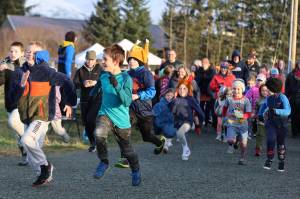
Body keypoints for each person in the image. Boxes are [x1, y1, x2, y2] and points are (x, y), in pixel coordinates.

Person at [10, 41, 77, 186]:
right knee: (30, 147)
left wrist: (69, 102)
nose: (29, 54)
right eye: (28, 51)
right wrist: (21, 86)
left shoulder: (47, 72)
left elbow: (67, 81)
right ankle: (43, 175)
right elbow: (12, 97)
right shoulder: (19, 72)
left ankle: (46, 167)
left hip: (43, 116)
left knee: (26, 140)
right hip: (27, 117)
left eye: (34, 52)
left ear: (40, 55)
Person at [93, 44, 141, 186]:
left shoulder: (126, 78)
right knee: (98, 133)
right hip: (105, 114)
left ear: (115, 61)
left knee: (127, 151)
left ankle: (136, 169)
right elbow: (98, 87)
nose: (102, 61)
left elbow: (126, 101)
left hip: (122, 121)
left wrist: (116, 85)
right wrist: (91, 92)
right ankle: (104, 161)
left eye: (105, 59)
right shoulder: (103, 75)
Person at [114, 40, 166, 169]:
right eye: (130, 59)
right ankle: (124, 159)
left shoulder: (146, 73)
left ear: (140, 61)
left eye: (134, 59)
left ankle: (159, 142)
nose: (131, 61)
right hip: (130, 108)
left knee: (146, 136)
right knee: (123, 129)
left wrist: (138, 95)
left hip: (145, 110)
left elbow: (152, 91)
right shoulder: (126, 74)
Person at [0, 41, 27, 165]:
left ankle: (30, 140)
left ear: (22, 53)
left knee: (12, 123)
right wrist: (1, 71)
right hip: (9, 102)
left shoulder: (24, 63)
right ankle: (26, 157)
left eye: (16, 51)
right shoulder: (5, 62)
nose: (13, 53)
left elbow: (19, 71)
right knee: (17, 133)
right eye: (11, 51)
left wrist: (7, 67)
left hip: (21, 101)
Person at [73, 50, 102, 152]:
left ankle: (98, 141)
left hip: (97, 99)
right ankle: (92, 143)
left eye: (92, 60)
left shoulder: (100, 69)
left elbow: (105, 81)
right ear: (85, 59)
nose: (90, 61)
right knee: (86, 122)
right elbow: (75, 84)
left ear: (95, 60)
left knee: (91, 119)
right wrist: (83, 83)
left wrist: (96, 82)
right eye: (88, 59)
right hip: (85, 100)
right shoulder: (80, 71)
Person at [260, 78, 291, 172]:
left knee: (281, 144)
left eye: (268, 89)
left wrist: (276, 111)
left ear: (274, 88)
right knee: (270, 140)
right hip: (271, 123)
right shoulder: (268, 98)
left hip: (282, 125)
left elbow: (288, 111)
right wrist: (260, 115)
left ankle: (281, 161)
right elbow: (265, 107)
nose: (267, 91)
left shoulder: (283, 98)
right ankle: (269, 159)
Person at [171, 79, 204, 160]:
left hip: (187, 122)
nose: (182, 90)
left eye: (184, 88)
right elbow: (168, 109)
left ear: (188, 89)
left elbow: (199, 111)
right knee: (182, 136)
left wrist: (199, 124)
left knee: (179, 134)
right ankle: (185, 150)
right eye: (180, 88)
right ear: (177, 89)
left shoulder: (190, 99)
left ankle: (186, 149)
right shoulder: (175, 99)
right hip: (178, 122)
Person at [222, 79, 252, 165]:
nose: (236, 91)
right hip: (232, 122)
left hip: (243, 124)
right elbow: (224, 108)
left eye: (238, 89)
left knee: (244, 144)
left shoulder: (246, 100)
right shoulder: (229, 99)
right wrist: (224, 116)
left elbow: (248, 112)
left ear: (242, 89)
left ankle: (242, 158)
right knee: (230, 140)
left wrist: (243, 117)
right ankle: (233, 142)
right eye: (234, 88)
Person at [153, 88, 177, 153]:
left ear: (173, 96)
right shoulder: (160, 104)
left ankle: (166, 145)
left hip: (171, 122)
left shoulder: (175, 104)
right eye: (168, 95)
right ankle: (165, 146)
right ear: (164, 95)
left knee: (169, 133)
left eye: (171, 96)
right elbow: (154, 112)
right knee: (164, 134)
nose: (169, 97)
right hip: (162, 122)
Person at [195, 58, 215, 126]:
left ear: (209, 64)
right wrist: (203, 72)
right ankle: (201, 120)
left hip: (209, 91)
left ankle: (207, 121)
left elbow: (211, 78)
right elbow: (198, 79)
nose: (204, 64)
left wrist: (204, 74)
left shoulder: (212, 70)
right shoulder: (200, 70)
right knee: (201, 106)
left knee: (208, 108)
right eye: (203, 62)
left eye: (206, 63)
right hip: (201, 91)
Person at [245, 74, 266, 138]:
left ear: (264, 81)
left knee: (261, 121)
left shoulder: (265, 88)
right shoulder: (253, 89)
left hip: (263, 108)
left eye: (261, 81)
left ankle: (259, 132)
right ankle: (250, 132)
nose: (259, 82)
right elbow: (246, 97)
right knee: (251, 121)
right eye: (258, 80)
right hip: (254, 108)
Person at [285, 61, 300, 138]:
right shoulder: (291, 74)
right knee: (293, 116)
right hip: (293, 97)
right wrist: (286, 97)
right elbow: (287, 87)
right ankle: (294, 132)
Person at [255, 84, 269, 156]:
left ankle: (270, 149)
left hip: (270, 121)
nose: (264, 92)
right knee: (260, 134)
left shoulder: (271, 99)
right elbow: (255, 110)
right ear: (260, 91)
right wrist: (254, 115)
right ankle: (258, 148)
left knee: (270, 136)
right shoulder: (258, 100)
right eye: (263, 90)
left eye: (266, 90)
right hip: (260, 120)